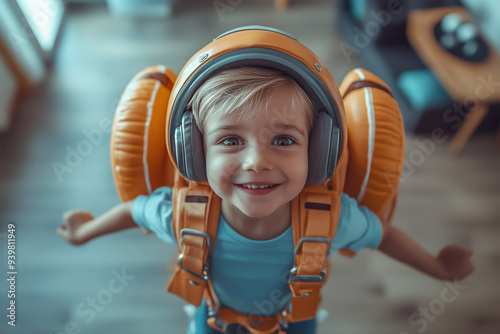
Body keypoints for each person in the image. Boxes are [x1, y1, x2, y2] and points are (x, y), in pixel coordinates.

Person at [58, 28, 474, 334]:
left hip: (294, 322)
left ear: (318, 153)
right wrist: (84, 231)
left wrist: (438, 268)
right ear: (195, 153)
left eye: (283, 140)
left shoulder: (329, 220)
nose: (257, 161)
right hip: (213, 318)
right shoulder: (183, 213)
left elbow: (383, 235)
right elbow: (133, 210)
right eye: (231, 140)